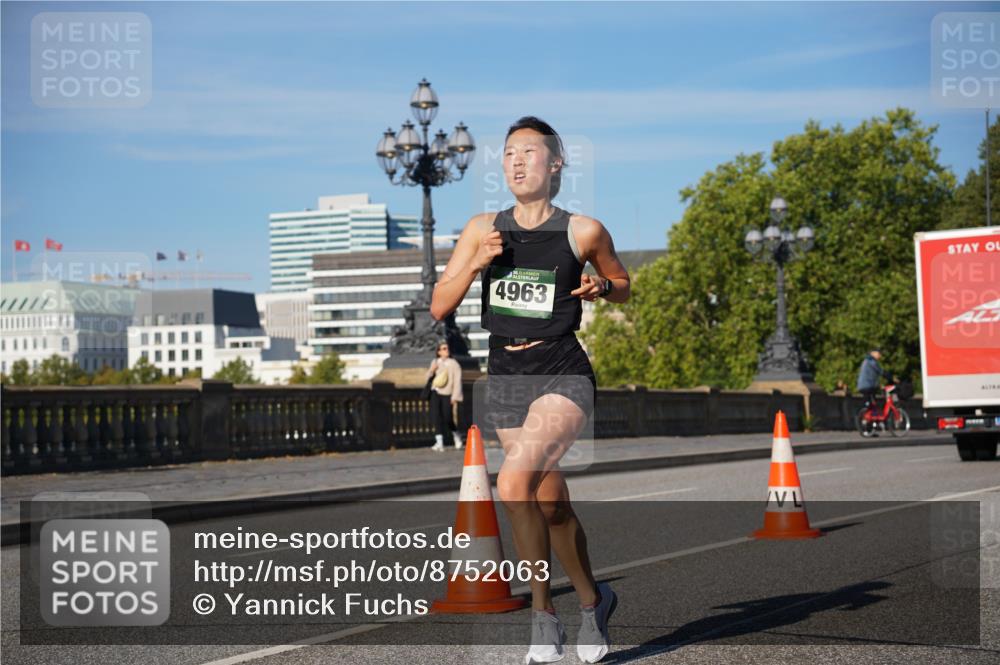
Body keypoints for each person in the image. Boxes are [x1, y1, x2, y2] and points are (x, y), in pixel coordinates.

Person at [430, 116, 630, 664]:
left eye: (528, 152)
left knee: (514, 482)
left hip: (562, 369)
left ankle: (544, 620)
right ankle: (594, 601)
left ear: (556, 163)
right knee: (550, 502)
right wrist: (477, 261)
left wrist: (602, 286)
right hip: (506, 375)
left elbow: (623, 285)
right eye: (508, 153)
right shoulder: (482, 228)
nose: (516, 162)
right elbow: (440, 305)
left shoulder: (583, 231)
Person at [425, 340, 464, 451]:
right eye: (444, 349)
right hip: (435, 392)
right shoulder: (435, 362)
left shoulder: (454, 363)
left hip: (447, 393)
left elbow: (457, 381)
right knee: (436, 416)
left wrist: (455, 396)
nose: (446, 350)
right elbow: (427, 377)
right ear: (439, 352)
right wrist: (432, 370)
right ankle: (439, 442)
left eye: (447, 348)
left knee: (448, 417)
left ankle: (456, 435)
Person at [856, 348, 892, 413]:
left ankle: (872, 413)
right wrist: (890, 377)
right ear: (873, 353)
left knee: (872, 402)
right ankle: (872, 413)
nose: (880, 356)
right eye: (879, 353)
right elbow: (880, 371)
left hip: (865, 385)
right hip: (867, 386)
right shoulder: (871, 361)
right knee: (876, 400)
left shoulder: (867, 360)